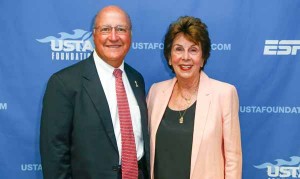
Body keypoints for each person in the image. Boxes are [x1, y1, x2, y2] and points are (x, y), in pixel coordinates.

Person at [40, 5, 149, 179]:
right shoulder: (63, 83)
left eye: (121, 29)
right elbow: (54, 152)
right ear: (94, 34)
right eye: (105, 29)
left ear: (130, 36)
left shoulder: (137, 79)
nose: (113, 37)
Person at [146, 16, 242, 179]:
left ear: (203, 58)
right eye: (178, 49)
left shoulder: (224, 94)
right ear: (169, 57)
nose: (185, 57)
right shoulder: (156, 92)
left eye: (193, 50)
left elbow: (233, 159)